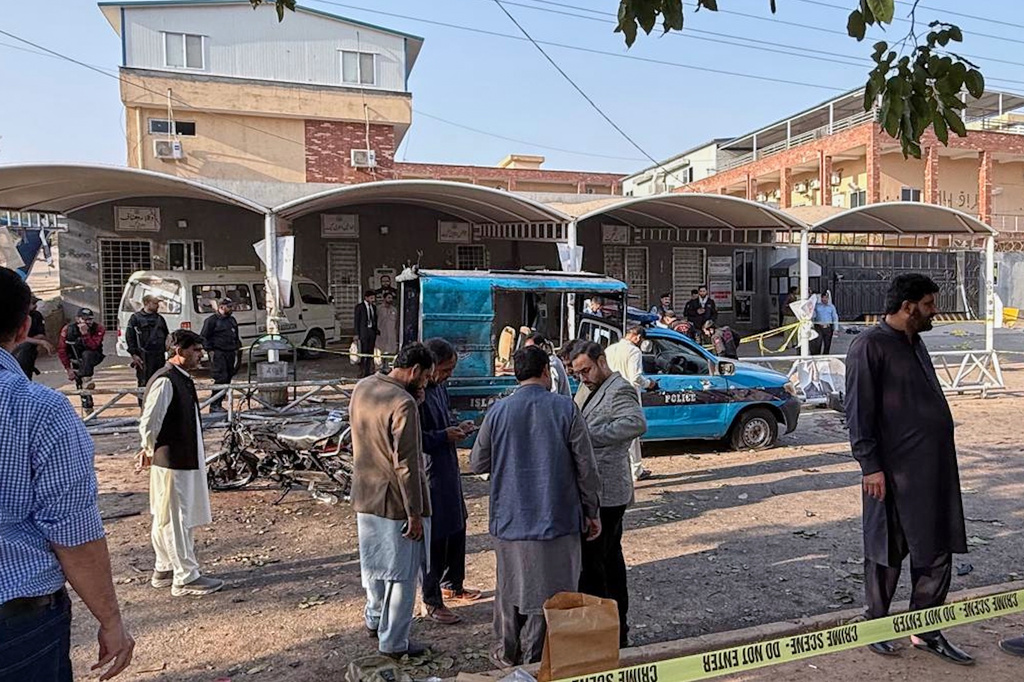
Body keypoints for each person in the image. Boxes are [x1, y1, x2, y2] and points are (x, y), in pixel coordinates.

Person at [0, 267, 135, 680]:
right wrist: (111, 620)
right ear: (23, 327)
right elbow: (73, 532)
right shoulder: (40, 410)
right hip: (16, 625)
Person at [845, 274, 972, 666]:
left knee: (936, 549)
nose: (935, 311)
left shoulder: (916, 343)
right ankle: (877, 626)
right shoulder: (869, 345)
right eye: (930, 304)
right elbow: (858, 411)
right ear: (908, 307)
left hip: (933, 471)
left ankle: (926, 627)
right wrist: (871, 466)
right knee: (887, 550)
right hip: (892, 473)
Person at [471, 345, 601, 667]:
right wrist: (591, 510)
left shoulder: (498, 411)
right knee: (551, 592)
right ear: (547, 371)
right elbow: (586, 467)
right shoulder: (565, 409)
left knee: (510, 587)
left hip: (510, 518)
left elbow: (477, 462)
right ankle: (536, 658)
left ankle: (505, 654)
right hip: (557, 518)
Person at [351, 343, 434, 658]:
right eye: (425, 377)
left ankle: (373, 618)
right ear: (414, 371)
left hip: (365, 492)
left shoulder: (363, 387)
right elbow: (408, 463)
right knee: (401, 574)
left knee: (374, 566)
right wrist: (414, 512)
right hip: (397, 501)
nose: (425, 383)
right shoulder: (403, 403)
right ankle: (394, 641)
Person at [569, 342, 647, 648]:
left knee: (601, 563)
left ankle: (615, 630)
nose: (583, 377)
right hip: (592, 487)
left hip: (609, 490)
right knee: (600, 561)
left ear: (602, 361)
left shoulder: (619, 389)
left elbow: (636, 424)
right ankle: (606, 629)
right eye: (577, 373)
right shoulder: (588, 388)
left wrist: (587, 437)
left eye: (586, 370)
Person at [139, 329, 224, 597]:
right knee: (177, 518)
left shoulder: (179, 378)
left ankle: (164, 566)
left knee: (167, 515)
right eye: (195, 350)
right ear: (179, 351)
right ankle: (185, 576)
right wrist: (148, 448)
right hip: (173, 461)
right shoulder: (166, 381)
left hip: (180, 457)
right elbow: (150, 421)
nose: (200, 354)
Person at [418, 338, 481, 625]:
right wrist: (444, 435)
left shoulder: (440, 388)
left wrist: (457, 427)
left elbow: (444, 421)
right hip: (430, 470)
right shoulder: (415, 395)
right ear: (430, 368)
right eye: (445, 370)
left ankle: (452, 582)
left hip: (449, 465)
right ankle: (432, 599)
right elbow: (416, 439)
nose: (448, 376)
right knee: (437, 536)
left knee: (458, 525)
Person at [604, 326, 657, 481]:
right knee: (632, 434)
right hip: (628, 396)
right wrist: (650, 384)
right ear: (637, 337)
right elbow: (636, 377)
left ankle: (617, 469)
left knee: (614, 434)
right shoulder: (634, 351)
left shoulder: (610, 350)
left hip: (610, 395)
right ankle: (636, 470)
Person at [57, 307, 106, 410]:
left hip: (93, 356)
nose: (88, 322)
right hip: (75, 358)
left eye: (90, 319)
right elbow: (62, 349)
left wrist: (85, 334)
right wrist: (68, 368)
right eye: (85, 319)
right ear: (78, 319)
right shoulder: (68, 329)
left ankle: (87, 379)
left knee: (87, 355)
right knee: (80, 384)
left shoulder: (98, 328)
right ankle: (87, 407)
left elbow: (94, 345)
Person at [126, 295, 170, 406]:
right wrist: (134, 355)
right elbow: (130, 337)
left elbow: (166, 336)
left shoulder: (160, 319)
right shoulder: (135, 318)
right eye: (155, 303)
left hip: (159, 356)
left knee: (160, 381)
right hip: (144, 356)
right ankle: (144, 407)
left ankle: (158, 405)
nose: (157, 306)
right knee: (144, 383)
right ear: (146, 303)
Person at [200, 299, 241, 412]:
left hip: (230, 352)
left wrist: (237, 348)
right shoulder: (211, 321)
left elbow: (235, 336)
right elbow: (203, 337)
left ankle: (219, 403)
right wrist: (210, 350)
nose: (231, 309)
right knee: (220, 378)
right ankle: (214, 404)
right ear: (221, 307)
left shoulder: (231, 320)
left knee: (228, 378)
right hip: (218, 353)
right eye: (229, 307)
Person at [12, 296, 53, 379]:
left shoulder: (36, 315)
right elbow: (18, 338)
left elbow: (41, 334)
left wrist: (31, 340)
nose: (35, 306)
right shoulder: (16, 317)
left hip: (30, 351)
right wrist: (40, 342)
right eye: (32, 304)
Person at [524, 332, 571, 397]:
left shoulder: (552, 363)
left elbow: (553, 393)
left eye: (531, 349)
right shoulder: (540, 363)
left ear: (541, 346)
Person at [354, 290, 379, 378]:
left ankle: (368, 371)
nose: (373, 300)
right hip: (363, 332)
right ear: (366, 298)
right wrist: (356, 333)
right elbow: (356, 321)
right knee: (363, 352)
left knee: (370, 352)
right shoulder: (359, 307)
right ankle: (361, 371)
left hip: (371, 332)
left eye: (374, 298)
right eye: (371, 298)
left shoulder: (374, 307)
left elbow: (375, 319)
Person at [376, 291, 400, 362]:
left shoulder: (394, 310)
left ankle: (388, 368)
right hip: (381, 334)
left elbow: (396, 322)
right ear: (384, 298)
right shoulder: (379, 309)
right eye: (389, 298)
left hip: (391, 334)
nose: (390, 300)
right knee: (381, 352)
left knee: (391, 352)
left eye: (391, 298)